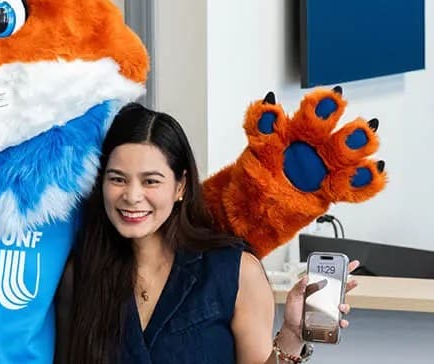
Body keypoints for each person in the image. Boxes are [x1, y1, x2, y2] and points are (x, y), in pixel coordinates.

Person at [65, 103, 358, 363]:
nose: (132, 196)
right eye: (117, 179)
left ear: (180, 186)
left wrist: (293, 333)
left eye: (151, 181)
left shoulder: (235, 270)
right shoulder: (78, 271)